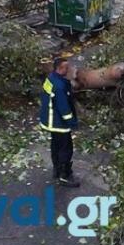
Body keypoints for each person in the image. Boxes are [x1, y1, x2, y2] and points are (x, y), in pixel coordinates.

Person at [39, 58, 79, 188]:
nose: (69, 70)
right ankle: (65, 176)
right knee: (66, 149)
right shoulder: (60, 86)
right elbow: (64, 108)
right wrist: (72, 122)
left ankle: (57, 170)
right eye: (66, 68)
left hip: (50, 120)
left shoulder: (51, 78)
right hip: (59, 123)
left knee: (55, 146)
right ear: (60, 69)